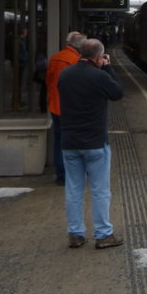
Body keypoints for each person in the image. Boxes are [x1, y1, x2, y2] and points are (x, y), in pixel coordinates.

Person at [58, 38, 124, 249]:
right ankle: (103, 235)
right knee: (100, 191)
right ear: (98, 57)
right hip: (95, 143)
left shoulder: (65, 75)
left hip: (69, 142)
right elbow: (117, 93)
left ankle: (75, 234)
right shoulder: (99, 76)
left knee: (73, 190)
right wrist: (108, 68)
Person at [46, 31, 85, 185]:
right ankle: (73, 174)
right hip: (72, 108)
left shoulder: (56, 57)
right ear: (80, 46)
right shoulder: (76, 61)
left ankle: (60, 174)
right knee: (75, 142)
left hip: (55, 106)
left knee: (59, 141)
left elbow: (48, 81)